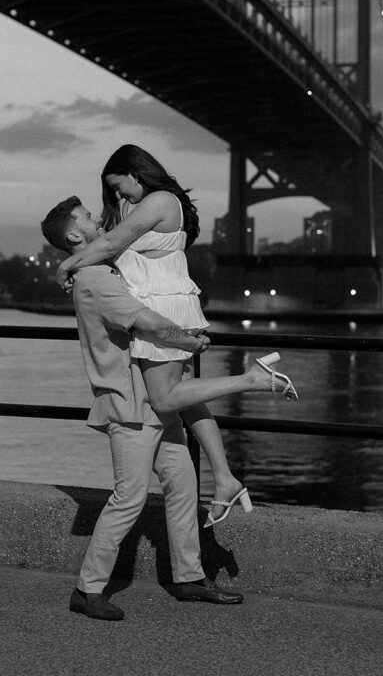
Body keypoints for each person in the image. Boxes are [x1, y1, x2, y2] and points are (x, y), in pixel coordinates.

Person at [54, 145, 297, 527]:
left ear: (136, 173)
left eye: (120, 186)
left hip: (165, 310)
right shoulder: (139, 206)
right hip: (167, 306)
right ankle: (226, 480)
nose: (119, 197)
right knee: (187, 400)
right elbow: (108, 240)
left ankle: (255, 379)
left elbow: (113, 243)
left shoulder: (161, 200)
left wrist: (66, 264)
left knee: (164, 398)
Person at [41, 195, 253, 620]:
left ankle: (189, 578)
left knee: (182, 484)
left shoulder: (104, 269)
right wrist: (189, 341)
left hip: (153, 402)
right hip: (130, 404)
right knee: (129, 498)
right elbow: (146, 321)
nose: (96, 217)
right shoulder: (95, 279)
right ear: (73, 235)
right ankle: (88, 588)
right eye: (86, 217)